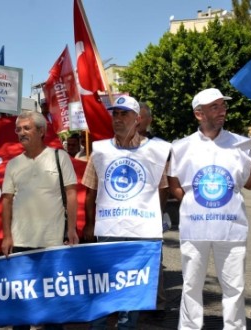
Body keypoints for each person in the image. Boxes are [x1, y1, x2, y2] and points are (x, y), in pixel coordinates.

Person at [168, 88, 251, 330]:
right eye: (214, 106)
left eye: (223, 106)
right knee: (191, 286)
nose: (222, 110)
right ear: (199, 114)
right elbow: (173, 182)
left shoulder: (241, 143)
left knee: (234, 288)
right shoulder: (181, 146)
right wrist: (191, 204)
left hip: (232, 229)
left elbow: (250, 182)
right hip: (194, 230)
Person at [82, 96, 170, 329]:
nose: (118, 119)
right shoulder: (100, 151)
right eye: (115, 114)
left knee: (133, 286)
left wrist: (155, 219)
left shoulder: (155, 151)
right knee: (104, 283)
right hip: (108, 230)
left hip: (141, 230)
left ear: (137, 119)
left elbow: (162, 190)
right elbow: (90, 191)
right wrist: (89, 224)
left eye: (124, 114)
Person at [1, 111, 78, 330]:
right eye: (18, 129)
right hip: (20, 242)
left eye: (26, 128)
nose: (21, 133)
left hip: (52, 242)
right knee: (22, 303)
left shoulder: (59, 157)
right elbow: (6, 201)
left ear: (42, 131)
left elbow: (71, 194)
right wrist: (7, 236)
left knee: (52, 303)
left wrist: (71, 229)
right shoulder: (13, 164)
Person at [138, 102, 169, 318]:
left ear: (149, 120)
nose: (136, 121)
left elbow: (164, 185)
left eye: (140, 117)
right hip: (124, 217)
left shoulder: (160, 147)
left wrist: (157, 212)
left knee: (153, 259)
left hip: (150, 215)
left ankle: (157, 304)